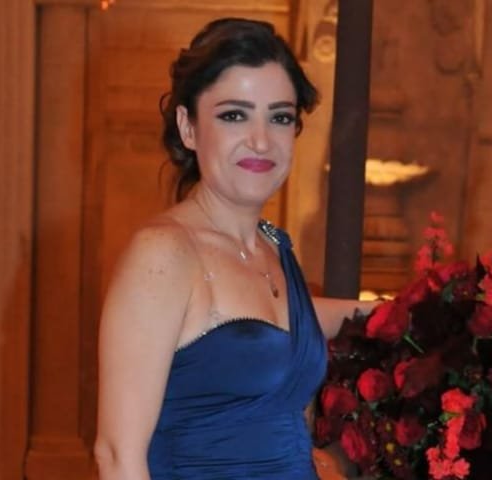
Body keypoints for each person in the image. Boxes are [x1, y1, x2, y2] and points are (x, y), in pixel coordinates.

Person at [94, 18, 375, 480]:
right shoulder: (164, 253)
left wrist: (402, 311)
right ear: (188, 127)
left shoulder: (273, 247)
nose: (261, 140)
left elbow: (276, 323)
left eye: (279, 117)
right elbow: (117, 456)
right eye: (234, 115)